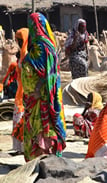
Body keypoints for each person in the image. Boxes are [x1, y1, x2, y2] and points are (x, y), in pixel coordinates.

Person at [21, 13, 66, 161]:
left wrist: (37, 91)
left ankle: (44, 160)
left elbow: (48, 72)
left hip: (41, 98)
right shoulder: (37, 45)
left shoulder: (43, 46)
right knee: (34, 128)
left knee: (42, 129)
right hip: (33, 98)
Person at [11, 28, 29, 153]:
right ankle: (19, 147)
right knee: (18, 117)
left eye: (21, 40)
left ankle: (24, 147)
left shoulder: (28, 55)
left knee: (24, 118)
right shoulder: (21, 54)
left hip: (27, 91)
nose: (19, 42)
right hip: (20, 91)